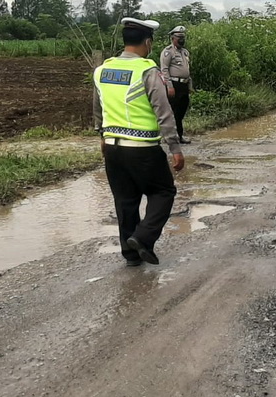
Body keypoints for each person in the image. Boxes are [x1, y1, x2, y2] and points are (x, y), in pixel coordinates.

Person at [93, 17, 184, 267]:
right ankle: (143, 239)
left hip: (112, 147)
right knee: (164, 192)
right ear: (147, 42)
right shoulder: (147, 70)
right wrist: (175, 148)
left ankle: (130, 254)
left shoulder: (102, 70)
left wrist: (102, 136)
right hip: (143, 149)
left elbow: (98, 108)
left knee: (125, 201)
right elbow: (163, 112)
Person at [161, 25, 193, 144]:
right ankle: (170, 137)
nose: (181, 39)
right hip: (174, 85)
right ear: (173, 38)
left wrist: (190, 86)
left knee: (181, 111)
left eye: (183, 37)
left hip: (184, 85)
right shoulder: (168, 52)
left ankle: (178, 136)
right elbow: (164, 70)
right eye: (179, 37)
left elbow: (187, 70)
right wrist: (169, 86)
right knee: (172, 112)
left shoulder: (185, 52)